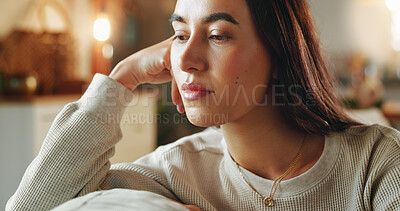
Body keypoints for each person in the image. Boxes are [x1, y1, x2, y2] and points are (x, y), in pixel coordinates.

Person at [7, 0, 400, 210]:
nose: (186, 58)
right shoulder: (174, 171)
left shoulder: (377, 163)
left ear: (280, 53)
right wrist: (121, 78)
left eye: (216, 35)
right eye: (179, 34)